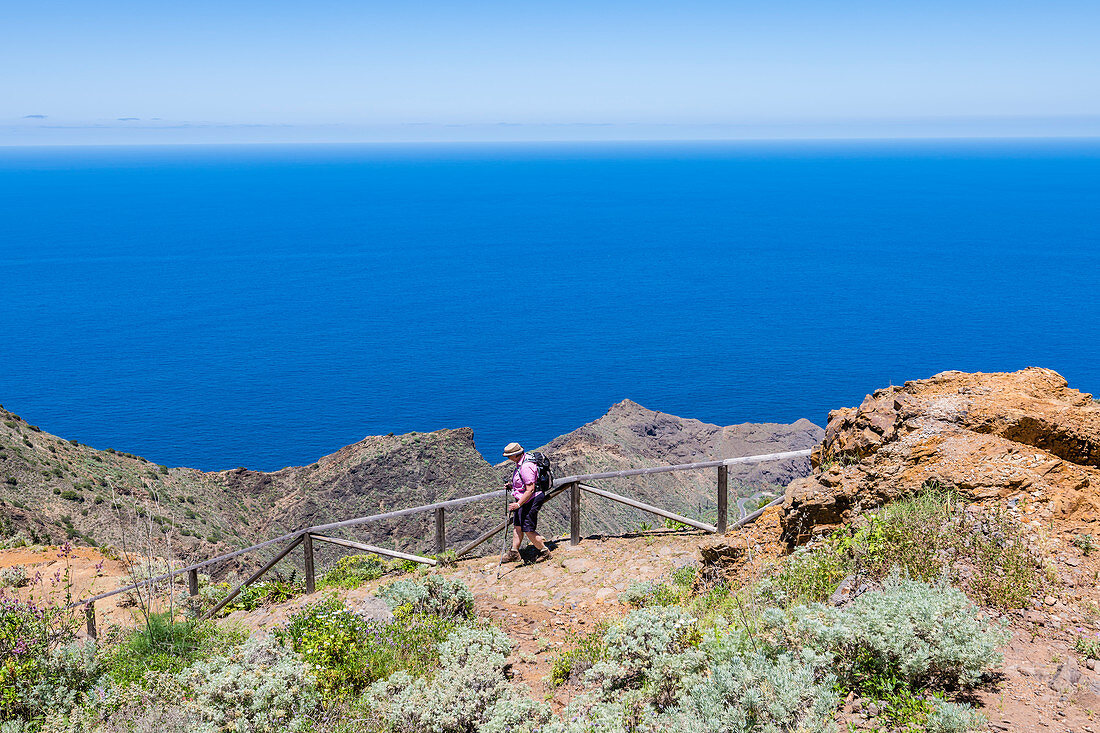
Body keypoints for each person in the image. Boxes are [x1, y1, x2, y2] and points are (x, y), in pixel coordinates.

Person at [502, 442, 551, 563]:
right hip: (524, 499)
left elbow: (530, 489)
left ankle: (545, 552)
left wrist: (518, 504)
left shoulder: (525, 467)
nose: (508, 458)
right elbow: (524, 484)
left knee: (528, 528)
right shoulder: (522, 462)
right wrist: (512, 486)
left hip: (531, 500)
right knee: (517, 526)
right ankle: (514, 552)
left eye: (509, 456)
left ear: (516, 455)